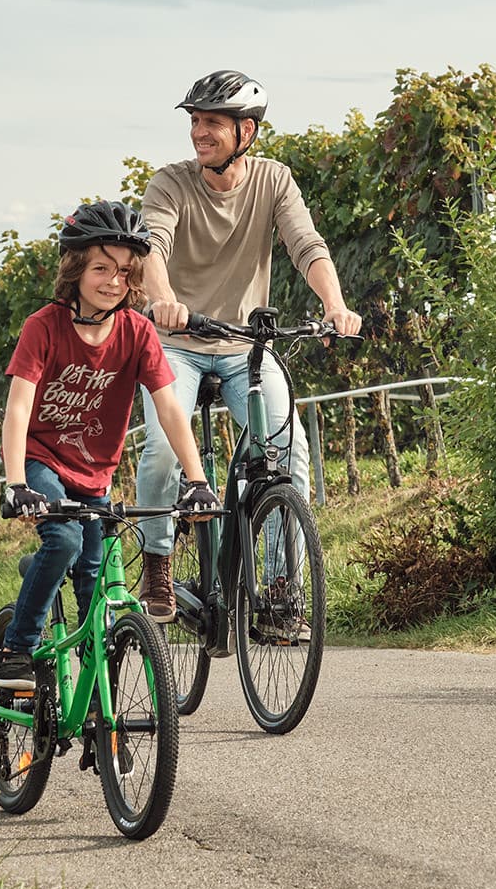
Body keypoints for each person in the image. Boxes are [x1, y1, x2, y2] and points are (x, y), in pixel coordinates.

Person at [132, 70, 363, 621]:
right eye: (194, 121)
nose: (199, 133)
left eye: (212, 122)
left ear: (247, 132)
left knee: (290, 453)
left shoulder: (274, 181)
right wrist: (163, 299)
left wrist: (335, 304)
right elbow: (151, 248)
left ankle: (282, 589)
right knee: (165, 447)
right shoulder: (170, 183)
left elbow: (307, 245)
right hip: (176, 343)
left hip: (243, 346)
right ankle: (158, 560)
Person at [0, 200, 218, 688]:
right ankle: (19, 646)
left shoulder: (137, 333)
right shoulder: (44, 327)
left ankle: (99, 704)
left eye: (123, 272)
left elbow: (170, 408)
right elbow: (17, 410)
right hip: (42, 463)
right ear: (75, 270)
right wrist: (15, 484)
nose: (113, 281)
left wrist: (197, 480)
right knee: (65, 538)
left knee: (97, 585)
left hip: (95, 475)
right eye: (101, 268)